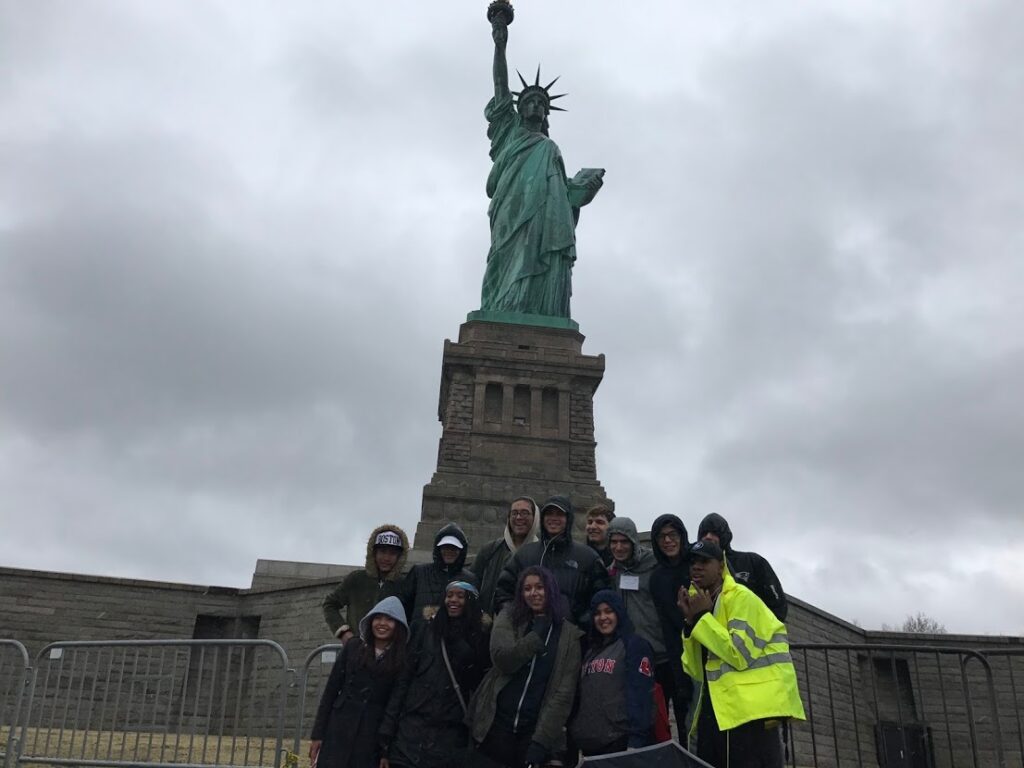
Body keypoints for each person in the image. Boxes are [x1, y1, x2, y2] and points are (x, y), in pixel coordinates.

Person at [479, 10, 603, 318]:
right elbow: (499, 83)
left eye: (541, 104)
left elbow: (564, 191)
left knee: (537, 252)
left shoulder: (549, 148)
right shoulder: (508, 132)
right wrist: (499, 40)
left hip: (544, 215)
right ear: (519, 108)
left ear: (546, 113)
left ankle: (536, 310)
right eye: (530, 101)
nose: (535, 105)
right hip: (511, 207)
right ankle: (502, 308)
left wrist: (584, 189)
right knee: (503, 256)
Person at [679, 540, 805, 768]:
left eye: (704, 561)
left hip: (751, 713)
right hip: (719, 709)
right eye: (693, 562)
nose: (696, 567)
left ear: (721, 566)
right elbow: (694, 669)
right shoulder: (703, 604)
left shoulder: (741, 598)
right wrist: (690, 625)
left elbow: (739, 653)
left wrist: (700, 619)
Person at [468, 566, 583, 768]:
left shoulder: (569, 635)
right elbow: (504, 660)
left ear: (550, 590)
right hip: (494, 725)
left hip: (532, 733)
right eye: (527, 588)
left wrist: (540, 742)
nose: (533, 593)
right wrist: (536, 634)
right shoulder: (509, 618)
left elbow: (563, 694)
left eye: (539, 587)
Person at [379, 581, 491, 768]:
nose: (453, 600)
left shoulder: (480, 639)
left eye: (460, 596)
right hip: (410, 735)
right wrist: (387, 731)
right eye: (450, 595)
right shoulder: (424, 630)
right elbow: (403, 681)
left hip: (449, 740)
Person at [606, 518, 684, 741]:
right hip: (636, 659)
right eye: (614, 542)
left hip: (665, 656)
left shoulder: (655, 565)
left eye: (624, 541)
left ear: (633, 541)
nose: (618, 547)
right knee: (646, 721)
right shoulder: (612, 571)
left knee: (681, 715)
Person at [309, 596, 409, 768]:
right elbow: (331, 691)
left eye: (389, 619)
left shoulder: (402, 660)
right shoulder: (353, 647)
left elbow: (394, 706)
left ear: (398, 625)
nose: (382, 623)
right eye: (378, 618)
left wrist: (385, 750)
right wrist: (318, 735)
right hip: (338, 729)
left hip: (371, 737)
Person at [494, 496, 609, 626]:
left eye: (559, 514)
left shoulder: (588, 557)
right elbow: (503, 592)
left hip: (573, 638)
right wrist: (519, 619)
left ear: (568, 519)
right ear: (542, 519)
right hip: (530, 635)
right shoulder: (524, 554)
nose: (553, 518)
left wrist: (581, 624)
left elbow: (602, 598)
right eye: (549, 514)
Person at [568, 590, 654, 757]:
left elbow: (641, 695)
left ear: (619, 613)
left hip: (620, 742)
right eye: (597, 613)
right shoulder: (589, 650)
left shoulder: (635, 645)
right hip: (590, 744)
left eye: (609, 611)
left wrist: (636, 741)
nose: (603, 618)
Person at [648, 514, 694, 738]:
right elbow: (668, 628)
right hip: (678, 657)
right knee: (683, 725)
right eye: (662, 537)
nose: (667, 541)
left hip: (709, 651)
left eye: (672, 535)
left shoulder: (697, 563)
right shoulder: (657, 578)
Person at [322, 525, 409, 640]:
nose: (386, 558)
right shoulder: (356, 579)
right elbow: (329, 604)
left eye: (392, 553)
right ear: (373, 553)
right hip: (357, 650)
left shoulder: (406, 584)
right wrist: (344, 633)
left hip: (391, 652)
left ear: (400, 557)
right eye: (382, 551)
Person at [697, 513, 788, 621]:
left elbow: (778, 607)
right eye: (704, 533)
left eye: (714, 532)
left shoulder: (752, 561)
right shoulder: (694, 569)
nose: (708, 536)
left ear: (724, 536)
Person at [471, 497, 540, 617]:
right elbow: (472, 584)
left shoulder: (542, 553)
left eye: (525, 513)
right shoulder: (489, 551)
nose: (519, 517)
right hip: (492, 623)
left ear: (535, 518)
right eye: (514, 513)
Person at [400, 523, 477, 625]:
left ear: (461, 551)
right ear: (438, 549)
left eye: (454, 548)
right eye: (445, 547)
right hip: (420, 638)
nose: (449, 551)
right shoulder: (419, 572)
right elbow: (404, 606)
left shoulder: (470, 579)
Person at [584, 505, 615, 569]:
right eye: (590, 522)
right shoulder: (580, 555)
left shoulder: (620, 558)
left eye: (599, 522)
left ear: (611, 527)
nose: (592, 527)